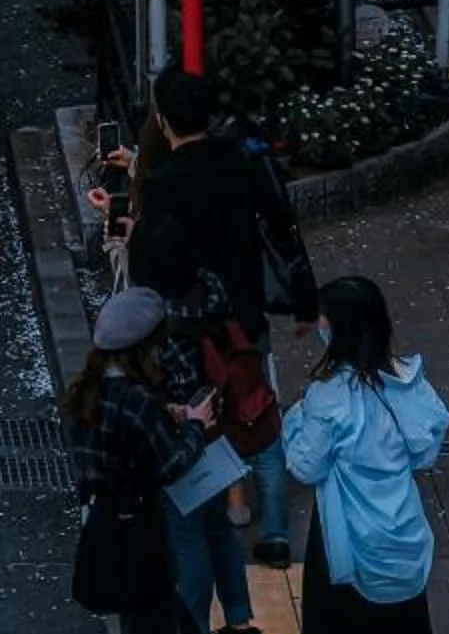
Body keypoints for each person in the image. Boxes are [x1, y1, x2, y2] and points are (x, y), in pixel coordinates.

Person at [134, 64, 317, 569]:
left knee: (205, 413)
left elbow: (155, 257)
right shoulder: (242, 161)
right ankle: (276, 529)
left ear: (165, 121)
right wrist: (305, 299)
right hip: (244, 307)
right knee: (259, 409)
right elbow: (283, 227)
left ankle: (224, 509)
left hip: (189, 319)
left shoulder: (163, 184)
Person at [282, 275, 449, 634]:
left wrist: (295, 418)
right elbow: (425, 451)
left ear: (341, 327)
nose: (319, 327)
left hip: (347, 545)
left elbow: (304, 465)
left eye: (325, 319)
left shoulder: (329, 397)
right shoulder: (410, 380)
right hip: (402, 536)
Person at [60, 287, 225, 634]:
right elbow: (170, 465)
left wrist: (167, 418)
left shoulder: (89, 393)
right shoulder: (135, 402)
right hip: (140, 537)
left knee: (172, 629)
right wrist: (195, 428)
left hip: (109, 529)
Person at [125, 215, 265, 634]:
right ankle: (242, 626)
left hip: (183, 437)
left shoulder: (155, 321)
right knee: (218, 529)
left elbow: (159, 389)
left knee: (187, 538)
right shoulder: (210, 289)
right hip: (221, 429)